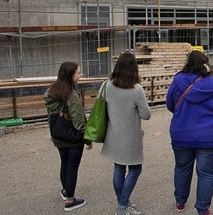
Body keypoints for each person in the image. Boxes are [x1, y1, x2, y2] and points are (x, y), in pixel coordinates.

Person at [167, 50, 213, 215]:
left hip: (181, 133)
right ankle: (203, 209)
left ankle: (180, 202)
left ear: (188, 62)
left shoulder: (177, 81)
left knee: (182, 168)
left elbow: (170, 105)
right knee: (207, 173)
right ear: (205, 64)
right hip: (209, 135)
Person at [100, 52, 152, 215]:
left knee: (119, 168)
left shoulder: (107, 85)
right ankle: (122, 206)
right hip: (130, 137)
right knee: (135, 170)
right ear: (134, 68)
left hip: (114, 134)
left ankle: (122, 202)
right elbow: (146, 115)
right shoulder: (136, 90)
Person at [44, 62, 92, 211]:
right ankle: (70, 201)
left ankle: (65, 191)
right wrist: (87, 139)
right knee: (72, 168)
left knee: (64, 163)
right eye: (78, 73)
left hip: (58, 134)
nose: (80, 75)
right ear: (70, 75)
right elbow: (79, 121)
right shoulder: (71, 95)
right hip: (72, 137)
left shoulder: (50, 91)